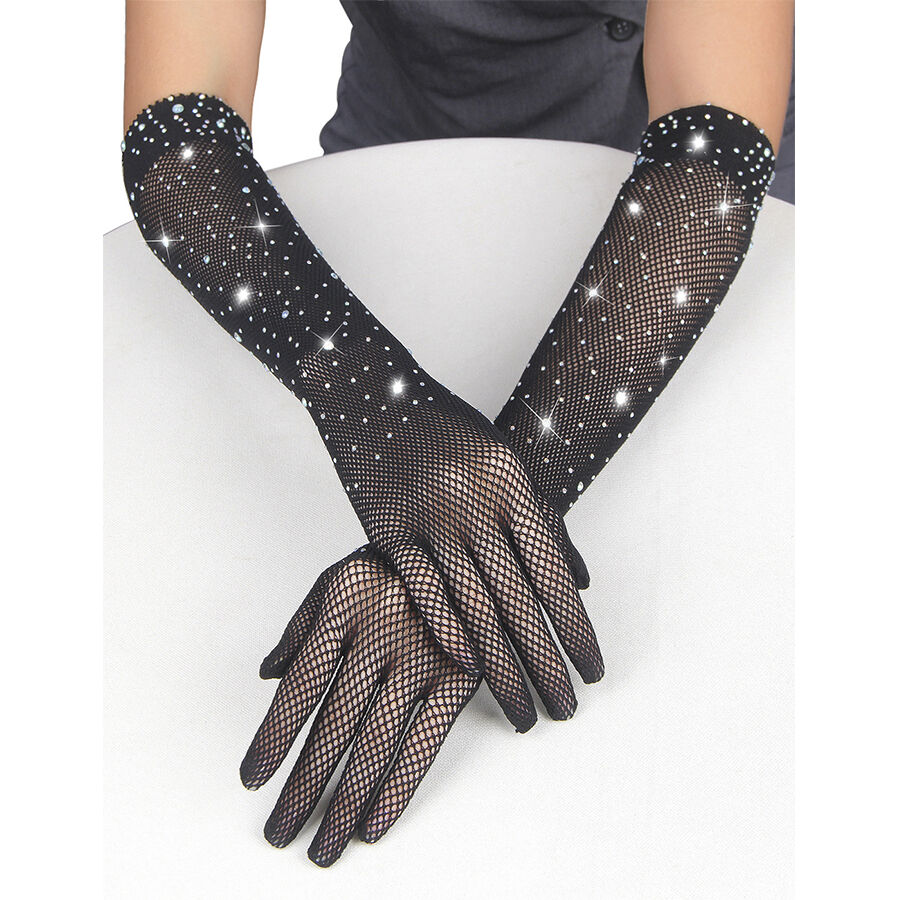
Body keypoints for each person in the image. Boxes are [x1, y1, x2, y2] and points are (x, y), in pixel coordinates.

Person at [122, 0, 794, 866]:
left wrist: (470, 526)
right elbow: (180, 128)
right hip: (411, 168)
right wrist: (381, 412)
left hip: (692, 227)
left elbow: (712, 140)